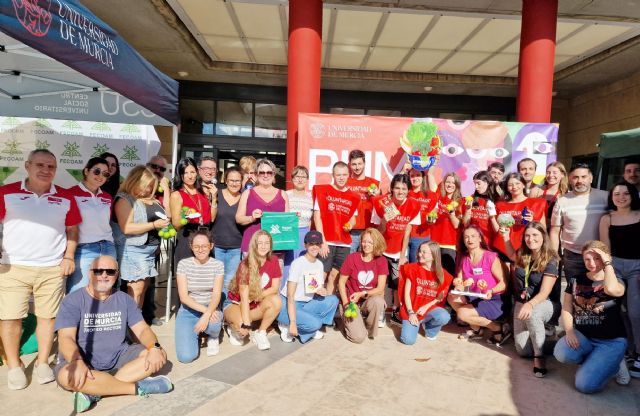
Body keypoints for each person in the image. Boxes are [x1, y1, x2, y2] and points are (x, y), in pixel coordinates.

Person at [0, 149, 81, 390]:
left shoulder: (66, 197)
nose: (46, 170)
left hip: (51, 268)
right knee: (10, 318)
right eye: (40, 165)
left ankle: (43, 362)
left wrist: (68, 256)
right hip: (12, 267)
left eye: (51, 167)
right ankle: (14, 366)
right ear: (27, 166)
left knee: (48, 318)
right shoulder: (6, 192)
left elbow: (73, 230)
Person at [54, 256, 172, 413]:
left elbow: (143, 330)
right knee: (66, 377)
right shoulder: (73, 300)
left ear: (117, 275)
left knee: (158, 354)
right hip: (83, 359)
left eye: (110, 271)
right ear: (90, 273)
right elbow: (65, 338)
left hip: (119, 356)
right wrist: (76, 360)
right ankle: (137, 388)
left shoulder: (124, 299)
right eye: (98, 271)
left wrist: (155, 347)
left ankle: (95, 391)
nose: (104, 275)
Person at [554, 241, 627, 393]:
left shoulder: (617, 280)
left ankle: (615, 363)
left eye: (597, 258)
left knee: (585, 386)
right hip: (584, 336)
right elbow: (567, 307)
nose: (592, 263)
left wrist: (607, 263)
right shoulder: (575, 279)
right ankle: (597, 362)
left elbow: (612, 289)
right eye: (587, 259)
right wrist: (569, 331)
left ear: (606, 258)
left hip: (611, 342)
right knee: (561, 352)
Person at [500, 221, 559, 377]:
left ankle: (539, 357)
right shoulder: (523, 253)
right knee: (522, 350)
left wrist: (530, 305)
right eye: (527, 235)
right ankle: (557, 345)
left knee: (533, 314)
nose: (530, 239)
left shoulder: (551, 259)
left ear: (543, 237)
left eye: (535, 235)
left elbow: (545, 292)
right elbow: (512, 255)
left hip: (545, 303)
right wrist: (506, 236)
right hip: (524, 302)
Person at [599, 181, 640, 377]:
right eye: (616, 193)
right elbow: (605, 249)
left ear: (632, 195)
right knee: (617, 310)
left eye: (625, 193)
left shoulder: (639, 215)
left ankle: (639, 352)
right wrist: (608, 271)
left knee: (635, 311)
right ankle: (627, 349)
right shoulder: (607, 218)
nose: (621, 197)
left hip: (637, 268)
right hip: (615, 267)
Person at [113, 166, 170, 308]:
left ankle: (136, 323)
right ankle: (131, 326)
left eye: (151, 187)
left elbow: (167, 215)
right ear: (134, 182)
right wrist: (154, 225)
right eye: (145, 186)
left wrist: (167, 191)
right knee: (136, 290)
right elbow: (126, 227)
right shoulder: (125, 199)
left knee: (142, 289)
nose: (148, 190)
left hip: (149, 251)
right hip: (134, 251)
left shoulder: (151, 199)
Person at [371, 173, 421, 324]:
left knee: (398, 283)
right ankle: (379, 312)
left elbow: (407, 232)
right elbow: (377, 232)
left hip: (398, 252)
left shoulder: (413, 205)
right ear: (391, 189)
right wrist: (384, 221)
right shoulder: (381, 203)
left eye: (404, 189)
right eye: (397, 188)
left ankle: (394, 311)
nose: (400, 192)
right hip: (381, 250)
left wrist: (402, 255)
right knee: (381, 283)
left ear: (408, 190)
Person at [448, 225, 509, 341]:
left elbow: (503, 284)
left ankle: (498, 328)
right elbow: (460, 281)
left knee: (462, 313)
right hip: (475, 297)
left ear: (480, 238)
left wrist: (491, 291)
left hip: (493, 299)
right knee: (452, 298)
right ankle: (477, 330)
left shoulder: (490, 257)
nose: (469, 240)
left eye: (473, 236)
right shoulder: (464, 258)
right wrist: (459, 286)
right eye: (466, 237)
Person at [223, 230, 282, 351]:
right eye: (260, 243)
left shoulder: (274, 260)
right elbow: (244, 299)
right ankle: (233, 325)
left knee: (276, 301)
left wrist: (256, 296)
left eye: (267, 243)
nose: (264, 246)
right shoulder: (245, 264)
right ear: (254, 245)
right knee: (241, 333)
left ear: (270, 245)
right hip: (236, 303)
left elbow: (274, 288)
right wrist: (246, 324)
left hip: (254, 304)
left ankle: (261, 332)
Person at [550, 163, 608, 283]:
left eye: (583, 177)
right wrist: (554, 257)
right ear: (570, 179)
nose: (579, 180)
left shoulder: (606, 197)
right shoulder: (562, 201)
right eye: (575, 177)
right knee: (574, 291)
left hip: (600, 255)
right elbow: (555, 231)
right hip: (572, 256)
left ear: (591, 178)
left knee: (599, 292)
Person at [277, 231, 339, 343]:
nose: (315, 247)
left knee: (333, 300)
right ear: (305, 245)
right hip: (289, 304)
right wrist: (293, 322)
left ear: (321, 245)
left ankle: (307, 324)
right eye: (311, 244)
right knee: (316, 324)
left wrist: (322, 290)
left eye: (318, 244)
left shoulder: (319, 265)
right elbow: (290, 296)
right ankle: (288, 324)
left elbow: (316, 287)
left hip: (306, 303)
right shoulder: (298, 263)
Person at [66, 157, 116, 293]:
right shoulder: (70, 193)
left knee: (103, 291)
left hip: (108, 248)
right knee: (79, 291)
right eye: (97, 171)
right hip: (83, 249)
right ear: (86, 171)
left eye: (105, 174)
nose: (101, 176)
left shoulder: (107, 197)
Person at [175, 229, 224, 362]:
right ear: (191, 247)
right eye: (196, 246)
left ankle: (212, 336)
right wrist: (204, 313)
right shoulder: (183, 264)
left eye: (204, 246)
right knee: (186, 357)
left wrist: (207, 314)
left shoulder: (218, 265)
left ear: (211, 246)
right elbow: (184, 297)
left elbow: (216, 294)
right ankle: (194, 334)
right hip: (188, 310)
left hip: (211, 306)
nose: (200, 250)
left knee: (213, 326)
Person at [313, 162, 360, 293]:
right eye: (338, 174)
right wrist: (322, 242)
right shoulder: (323, 191)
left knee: (334, 277)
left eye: (344, 174)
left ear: (349, 175)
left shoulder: (354, 197)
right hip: (326, 241)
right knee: (321, 274)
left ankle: (328, 308)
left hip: (344, 244)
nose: (341, 177)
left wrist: (350, 224)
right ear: (333, 175)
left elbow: (353, 218)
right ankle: (313, 307)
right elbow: (317, 217)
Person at [338, 228, 388, 343]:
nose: (366, 245)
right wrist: (346, 304)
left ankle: (368, 327)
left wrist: (362, 293)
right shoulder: (352, 258)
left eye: (370, 242)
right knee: (359, 338)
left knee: (378, 301)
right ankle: (349, 323)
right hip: (350, 302)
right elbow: (341, 282)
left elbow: (380, 289)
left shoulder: (382, 261)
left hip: (368, 301)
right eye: (364, 241)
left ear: (377, 243)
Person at [399, 241, 453, 345]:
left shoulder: (442, 274)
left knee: (444, 316)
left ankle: (429, 329)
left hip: (428, 310)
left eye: (424, 252)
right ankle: (414, 323)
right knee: (408, 340)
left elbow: (438, 299)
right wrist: (411, 313)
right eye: (420, 251)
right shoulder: (412, 268)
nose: (420, 254)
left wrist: (425, 307)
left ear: (433, 255)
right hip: (412, 309)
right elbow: (406, 294)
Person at [236, 158, 289, 255]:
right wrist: (252, 218)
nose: (265, 175)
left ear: (273, 175)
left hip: (276, 247)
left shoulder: (283, 194)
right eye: (262, 172)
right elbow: (239, 218)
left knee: (274, 270)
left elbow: (286, 222)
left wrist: (293, 219)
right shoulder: (247, 193)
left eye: (269, 172)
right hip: (252, 247)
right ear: (256, 174)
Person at [170, 157, 215, 269]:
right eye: (186, 173)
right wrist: (185, 217)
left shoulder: (204, 191)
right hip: (187, 239)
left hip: (205, 238)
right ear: (180, 175)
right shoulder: (177, 195)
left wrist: (213, 198)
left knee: (206, 280)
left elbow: (212, 218)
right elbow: (176, 224)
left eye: (192, 172)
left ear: (197, 172)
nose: (190, 176)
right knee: (187, 281)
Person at [492, 173, 546, 262]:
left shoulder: (537, 203)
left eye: (517, 183)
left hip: (526, 248)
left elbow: (543, 229)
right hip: (503, 246)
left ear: (523, 184)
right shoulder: (499, 205)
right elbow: (497, 229)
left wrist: (532, 221)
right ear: (507, 188)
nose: (514, 187)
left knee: (519, 275)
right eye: (510, 185)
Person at [145, 155, 172, 326]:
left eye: (162, 169)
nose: (158, 171)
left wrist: (167, 191)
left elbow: (168, 215)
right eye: (155, 166)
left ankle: (148, 314)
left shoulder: (162, 192)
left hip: (153, 243)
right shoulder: (139, 188)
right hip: (133, 244)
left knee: (150, 281)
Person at [211, 166, 244, 296]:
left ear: (242, 181)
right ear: (225, 180)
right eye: (231, 180)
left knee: (229, 281)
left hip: (236, 247)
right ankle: (216, 309)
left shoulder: (244, 198)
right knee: (216, 280)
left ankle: (225, 310)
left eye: (237, 181)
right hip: (216, 245)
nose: (234, 183)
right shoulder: (216, 194)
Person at [346, 149, 380, 253]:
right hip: (350, 230)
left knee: (366, 263)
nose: (357, 167)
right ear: (349, 165)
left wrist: (378, 196)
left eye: (360, 164)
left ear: (364, 163)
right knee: (349, 262)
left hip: (369, 231)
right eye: (354, 164)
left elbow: (382, 208)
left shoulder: (374, 183)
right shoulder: (345, 182)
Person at [430, 172, 463, 275]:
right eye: (447, 182)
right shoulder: (438, 197)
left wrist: (452, 214)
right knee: (433, 274)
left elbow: (457, 225)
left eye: (453, 183)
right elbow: (430, 175)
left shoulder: (460, 202)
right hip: (434, 242)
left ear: (457, 186)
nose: (449, 185)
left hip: (449, 245)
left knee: (447, 275)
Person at [284, 165, 314, 278]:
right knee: (288, 264)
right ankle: (284, 291)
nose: (300, 179)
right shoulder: (285, 194)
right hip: (289, 233)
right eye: (297, 176)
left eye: (303, 177)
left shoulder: (311, 197)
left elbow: (312, 219)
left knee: (303, 263)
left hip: (305, 234)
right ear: (292, 179)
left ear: (307, 179)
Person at [407, 168, 438, 263]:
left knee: (416, 267)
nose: (415, 178)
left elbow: (434, 214)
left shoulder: (431, 195)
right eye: (412, 176)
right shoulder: (404, 192)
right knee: (401, 267)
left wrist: (431, 220)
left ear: (423, 177)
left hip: (420, 237)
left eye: (418, 175)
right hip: (402, 235)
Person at [462, 171, 498, 248]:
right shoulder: (471, 199)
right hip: (473, 243)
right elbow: (466, 224)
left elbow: (499, 228)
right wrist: (468, 209)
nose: (476, 187)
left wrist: (492, 215)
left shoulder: (497, 200)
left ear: (487, 182)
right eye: (474, 184)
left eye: (478, 183)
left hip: (489, 243)